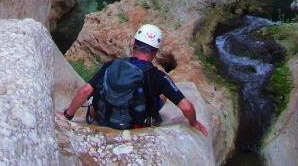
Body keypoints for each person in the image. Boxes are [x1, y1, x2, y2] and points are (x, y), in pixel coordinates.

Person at [56, 24, 208, 136]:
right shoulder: (159, 77)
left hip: (105, 117)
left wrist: (67, 115)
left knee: (98, 93)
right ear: (155, 52)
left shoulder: (112, 65)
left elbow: (85, 90)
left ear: (134, 45)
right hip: (135, 122)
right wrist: (193, 123)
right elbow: (187, 107)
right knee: (163, 94)